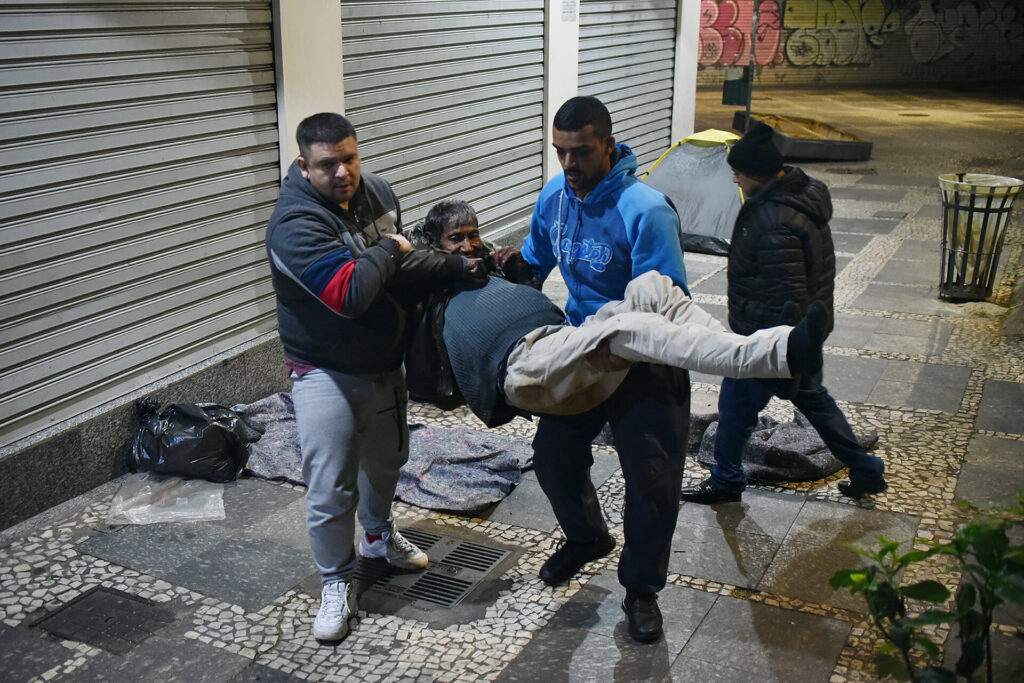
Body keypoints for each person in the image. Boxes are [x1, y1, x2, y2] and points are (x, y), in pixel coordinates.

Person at [265, 113, 481, 643]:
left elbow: (399, 271)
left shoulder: (377, 191)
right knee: (331, 485)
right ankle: (336, 581)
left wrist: (457, 268)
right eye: (327, 164)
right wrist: (391, 247)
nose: (343, 172)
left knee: (387, 464)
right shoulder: (294, 224)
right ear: (303, 165)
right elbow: (350, 292)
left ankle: (379, 538)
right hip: (325, 371)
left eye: (349, 158)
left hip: (384, 362)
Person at [494, 96, 692, 643]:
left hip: (647, 358)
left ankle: (641, 591)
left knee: (652, 482)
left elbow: (663, 300)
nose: (569, 165)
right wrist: (510, 273)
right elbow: (535, 264)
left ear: (608, 144)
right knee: (554, 460)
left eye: (581, 152)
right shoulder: (555, 196)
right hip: (584, 352)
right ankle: (586, 539)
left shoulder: (646, 209)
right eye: (560, 152)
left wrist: (624, 341)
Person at [407, 199, 828, 427]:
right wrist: (439, 259)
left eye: (472, 236)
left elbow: (520, 293)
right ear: (433, 244)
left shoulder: (488, 269)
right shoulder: (428, 286)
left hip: (562, 340)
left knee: (651, 287)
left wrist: (517, 273)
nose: (467, 247)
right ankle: (781, 354)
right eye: (454, 240)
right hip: (521, 368)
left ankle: (751, 355)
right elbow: (403, 262)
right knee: (630, 328)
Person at [680, 121, 888, 506]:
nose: (735, 182)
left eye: (738, 174)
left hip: (773, 341)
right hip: (802, 332)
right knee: (816, 404)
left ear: (756, 174)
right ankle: (866, 468)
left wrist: (771, 349)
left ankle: (725, 480)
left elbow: (787, 294)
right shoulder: (798, 196)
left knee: (734, 408)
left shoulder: (774, 220)